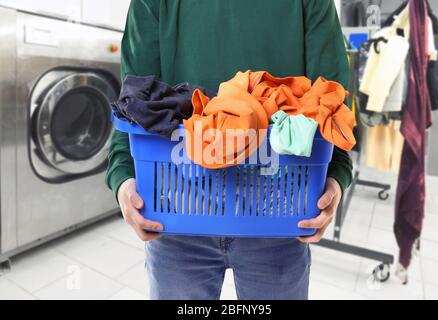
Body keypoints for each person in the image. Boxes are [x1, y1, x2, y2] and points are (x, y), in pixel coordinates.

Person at [106, 0, 353, 300]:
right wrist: (123, 178)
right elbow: (132, 101)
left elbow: (333, 99)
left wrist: (336, 176)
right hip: (177, 213)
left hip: (278, 213)